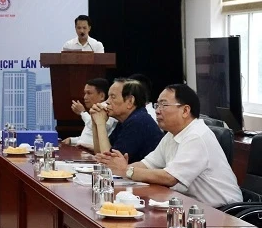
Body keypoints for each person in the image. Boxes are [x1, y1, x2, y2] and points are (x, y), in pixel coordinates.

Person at [95, 84, 242, 207]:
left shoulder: (196, 135)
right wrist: (120, 168)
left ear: (185, 110)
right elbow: (147, 164)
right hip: (191, 206)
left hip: (223, 212)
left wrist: (127, 170)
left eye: (164, 105)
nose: (157, 110)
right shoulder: (172, 134)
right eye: (157, 105)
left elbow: (170, 177)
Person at [91, 79, 163, 163]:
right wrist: (95, 123)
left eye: (113, 97)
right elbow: (99, 153)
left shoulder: (138, 121)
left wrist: (101, 123)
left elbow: (110, 162)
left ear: (130, 101)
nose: (107, 102)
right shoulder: (125, 121)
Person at [61, 78, 117, 150]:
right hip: (83, 151)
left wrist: (82, 113)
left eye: (89, 93)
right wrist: (72, 140)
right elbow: (89, 135)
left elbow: (99, 126)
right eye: (85, 93)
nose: (85, 97)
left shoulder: (108, 108)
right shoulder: (95, 109)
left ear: (102, 96)